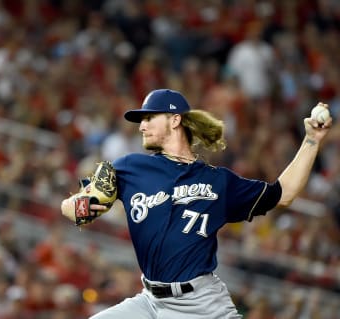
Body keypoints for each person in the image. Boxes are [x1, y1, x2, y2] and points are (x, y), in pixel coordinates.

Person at [60, 88, 332, 318]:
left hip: (201, 304)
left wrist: (311, 140)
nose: (141, 125)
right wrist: (79, 207)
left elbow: (282, 194)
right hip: (150, 303)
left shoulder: (219, 182)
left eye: (149, 118)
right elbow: (72, 206)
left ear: (175, 120)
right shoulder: (130, 168)